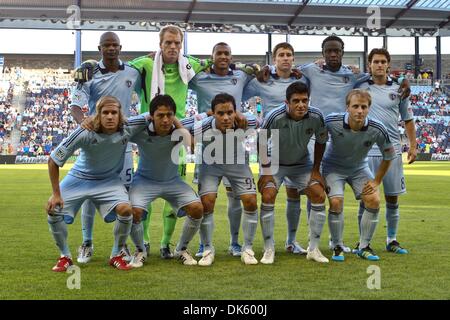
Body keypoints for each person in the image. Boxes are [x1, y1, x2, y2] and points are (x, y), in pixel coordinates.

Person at [46, 96, 148, 272]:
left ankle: (116, 254)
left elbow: (153, 114)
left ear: (120, 114)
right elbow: (53, 160)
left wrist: (204, 116)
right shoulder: (85, 131)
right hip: (79, 178)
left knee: (126, 210)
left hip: (108, 180)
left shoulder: (128, 127)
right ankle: (65, 256)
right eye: (105, 112)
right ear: (98, 115)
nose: (110, 116)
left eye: (114, 112)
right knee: (53, 208)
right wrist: (56, 194)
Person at [70, 31, 141, 264]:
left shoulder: (133, 71)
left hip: (123, 142)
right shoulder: (88, 74)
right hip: (97, 142)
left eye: (114, 45)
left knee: (127, 195)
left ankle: (120, 248)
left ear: (120, 47)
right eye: (106, 45)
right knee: (90, 193)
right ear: (99, 49)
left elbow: (154, 63)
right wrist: (84, 124)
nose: (111, 49)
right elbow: (76, 106)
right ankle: (87, 243)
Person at [188, 42, 258, 258]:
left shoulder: (241, 77)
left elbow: (257, 69)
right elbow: (178, 70)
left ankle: (236, 243)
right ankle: (204, 245)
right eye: (219, 53)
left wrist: (255, 67)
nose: (223, 57)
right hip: (208, 151)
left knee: (237, 198)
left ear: (231, 56)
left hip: (235, 151)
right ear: (212, 57)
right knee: (207, 201)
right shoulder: (199, 78)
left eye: (227, 53)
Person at [243, 42, 309, 255]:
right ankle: (268, 245)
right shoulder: (262, 80)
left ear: (293, 59)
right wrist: (253, 68)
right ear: (274, 59)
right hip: (270, 144)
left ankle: (291, 241)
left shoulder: (302, 79)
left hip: (297, 144)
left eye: (289, 55)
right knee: (269, 194)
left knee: (294, 194)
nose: (286, 58)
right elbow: (240, 90)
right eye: (281, 55)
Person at [127, 95, 205, 267]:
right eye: (160, 115)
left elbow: (191, 145)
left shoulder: (178, 131)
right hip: (144, 181)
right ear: (151, 116)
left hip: (172, 181)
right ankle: (140, 250)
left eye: (169, 115)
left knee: (197, 208)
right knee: (133, 212)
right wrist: (143, 117)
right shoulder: (141, 131)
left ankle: (181, 249)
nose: (165, 119)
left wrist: (176, 123)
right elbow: (122, 126)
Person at [257, 82, 329, 264]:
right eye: (296, 101)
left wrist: (315, 170)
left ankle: (313, 249)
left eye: (305, 100)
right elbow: (262, 141)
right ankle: (269, 248)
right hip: (275, 163)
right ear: (286, 102)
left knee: (319, 195)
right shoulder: (275, 116)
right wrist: (265, 172)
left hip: (301, 164)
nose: (301, 105)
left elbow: (321, 141)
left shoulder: (316, 116)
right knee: (268, 194)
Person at [323, 89, 395, 262]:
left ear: (369, 109)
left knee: (374, 200)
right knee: (336, 201)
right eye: (355, 106)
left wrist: (377, 180)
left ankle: (363, 246)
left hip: (359, 168)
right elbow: (316, 142)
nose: (360, 111)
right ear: (347, 107)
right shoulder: (331, 121)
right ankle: (337, 245)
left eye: (364, 107)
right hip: (333, 167)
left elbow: (389, 156)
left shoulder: (377, 128)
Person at [356, 48, 417, 254]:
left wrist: (413, 146)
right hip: (366, 150)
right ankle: (363, 242)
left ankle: (392, 239)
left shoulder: (400, 89)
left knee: (392, 197)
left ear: (388, 64)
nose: (379, 65)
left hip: (392, 150)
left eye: (383, 61)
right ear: (369, 65)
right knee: (367, 197)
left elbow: (407, 119)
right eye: (376, 61)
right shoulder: (361, 85)